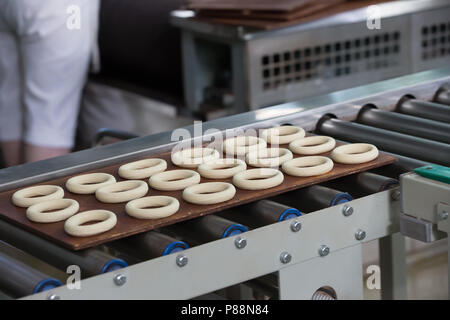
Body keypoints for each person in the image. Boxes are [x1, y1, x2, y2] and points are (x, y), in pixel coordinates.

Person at [0, 0, 99, 166]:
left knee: (11, 107)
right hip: (57, 8)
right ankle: (37, 192)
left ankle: (20, 190)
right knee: (50, 123)